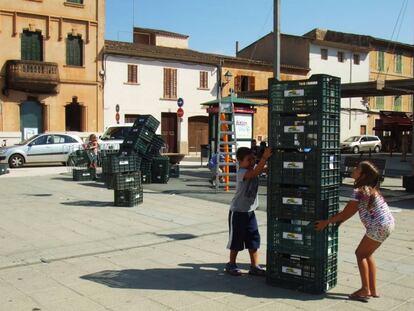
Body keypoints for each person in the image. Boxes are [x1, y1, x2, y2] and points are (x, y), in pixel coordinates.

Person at [315, 161, 395, 302]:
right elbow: (349, 214)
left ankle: (365, 289)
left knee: (360, 254)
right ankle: (372, 289)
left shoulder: (360, 191)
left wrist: (326, 222)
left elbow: (346, 213)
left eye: (357, 168)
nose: (354, 169)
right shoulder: (369, 189)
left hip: (379, 226)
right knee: (367, 254)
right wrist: (338, 222)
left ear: (362, 175)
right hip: (387, 224)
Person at [225, 146, 272, 276]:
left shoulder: (254, 168)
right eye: (248, 160)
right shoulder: (242, 172)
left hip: (250, 212)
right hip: (238, 212)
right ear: (239, 161)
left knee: (253, 239)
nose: (251, 162)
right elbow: (256, 172)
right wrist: (264, 158)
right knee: (236, 240)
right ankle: (231, 264)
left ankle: (254, 266)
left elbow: (261, 169)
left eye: (253, 159)